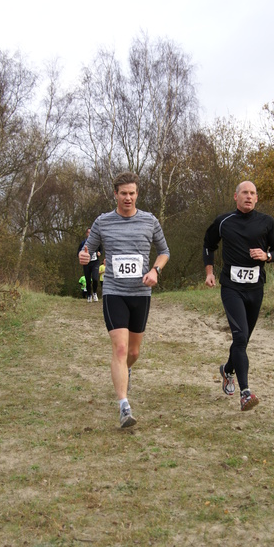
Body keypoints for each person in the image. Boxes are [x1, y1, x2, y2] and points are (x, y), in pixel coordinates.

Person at [79, 172, 170, 428]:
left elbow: (164, 251)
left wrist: (155, 270)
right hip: (114, 292)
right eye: (123, 193)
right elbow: (90, 250)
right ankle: (123, 405)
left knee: (133, 352)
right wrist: (84, 257)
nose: (127, 197)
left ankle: (124, 372)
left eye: (132, 193)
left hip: (140, 294)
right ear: (115, 194)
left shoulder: (149, 221)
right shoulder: (103, 222)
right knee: (119, 348)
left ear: (137, 194)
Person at [203, 180, 274, 411]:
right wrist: (209, 272)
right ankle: (245, 393)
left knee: (244, 340)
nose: (249, 196)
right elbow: (208, 245)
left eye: (253, 193)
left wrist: (267, 256)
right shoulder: (223, 222)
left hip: (255, 288)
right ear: (235, 197)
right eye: (244, 193)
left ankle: (227, 370)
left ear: (257, 198)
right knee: (240, 338)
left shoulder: (267, 222)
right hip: (231, 288)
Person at [77, 228, 101, 302]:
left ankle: (94, 293)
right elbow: (78, 253)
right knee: (87, 280)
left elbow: (101, 250)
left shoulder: (97, 242)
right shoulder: (83, 243)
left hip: (95, 262)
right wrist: (81, 255)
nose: (90, 234)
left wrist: (100, 253)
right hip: (87, 263)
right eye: (88, 232)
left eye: (91, 232)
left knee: (95, 278)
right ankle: (89, 295)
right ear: (86, 234)